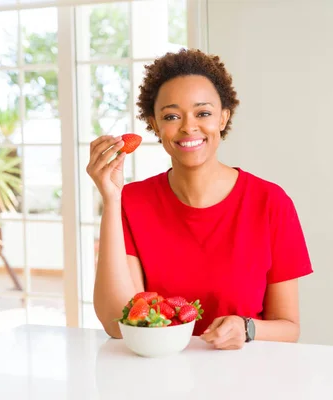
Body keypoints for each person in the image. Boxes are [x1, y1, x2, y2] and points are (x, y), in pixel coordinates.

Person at [87, 49, 312, 350]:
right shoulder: (132, 201)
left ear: (223, 118)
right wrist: (111, 198)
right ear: (154, 125)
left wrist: (246, 328)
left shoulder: (271, 203)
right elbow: (117, 323)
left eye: (203, 113)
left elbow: (289, 328)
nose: (188, 127)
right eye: (171, 116)